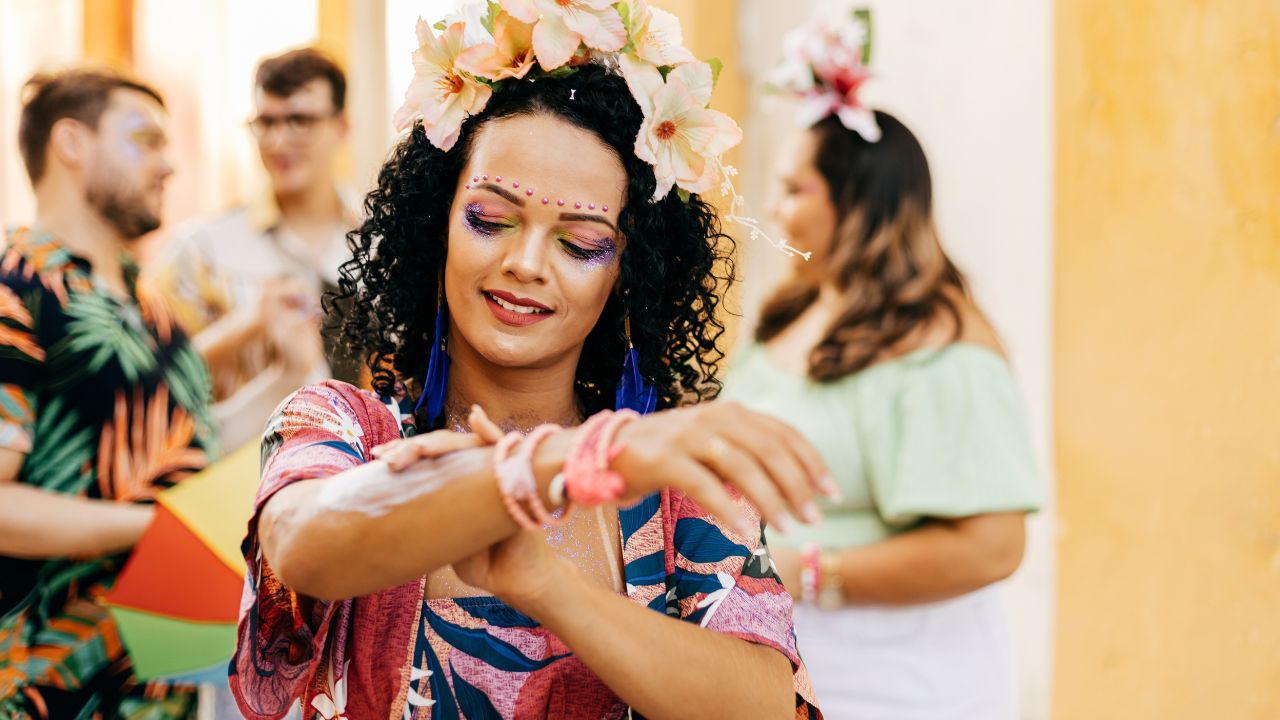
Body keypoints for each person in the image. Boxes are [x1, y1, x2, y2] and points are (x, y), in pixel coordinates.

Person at [230, 4, 827, 719]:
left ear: (626, 278)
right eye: (489, 220)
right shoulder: (344, 426)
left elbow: (763, 705)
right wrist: (552, 467)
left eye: (580, 244)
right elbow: (302, 545)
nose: (524, 264)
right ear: (435, 227)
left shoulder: (671, 479)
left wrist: (547, 584)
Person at [720, 13, 1044, 719]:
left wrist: (803, 573)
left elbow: (992, 546)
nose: (773, 210)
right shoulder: (792, 312)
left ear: (860, 203)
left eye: (795, 189)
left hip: (898, 675)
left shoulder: (942, 345)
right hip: (784, 656)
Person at [0, 69, 216, 719]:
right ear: (72, 143)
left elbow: (183, 443)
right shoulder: (16, 289)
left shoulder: (152, 305)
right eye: (145, 140)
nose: (168, 165)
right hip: (50, 688)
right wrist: (159, 529)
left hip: (162, 682)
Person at [148, 48, 361, 452]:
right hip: (241, 479)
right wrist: (246, 326)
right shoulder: (203, 249)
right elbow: (149, 381)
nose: (279, 141)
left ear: (341, 126)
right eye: (266, 123)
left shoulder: (384, 241)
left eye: (299, 121)